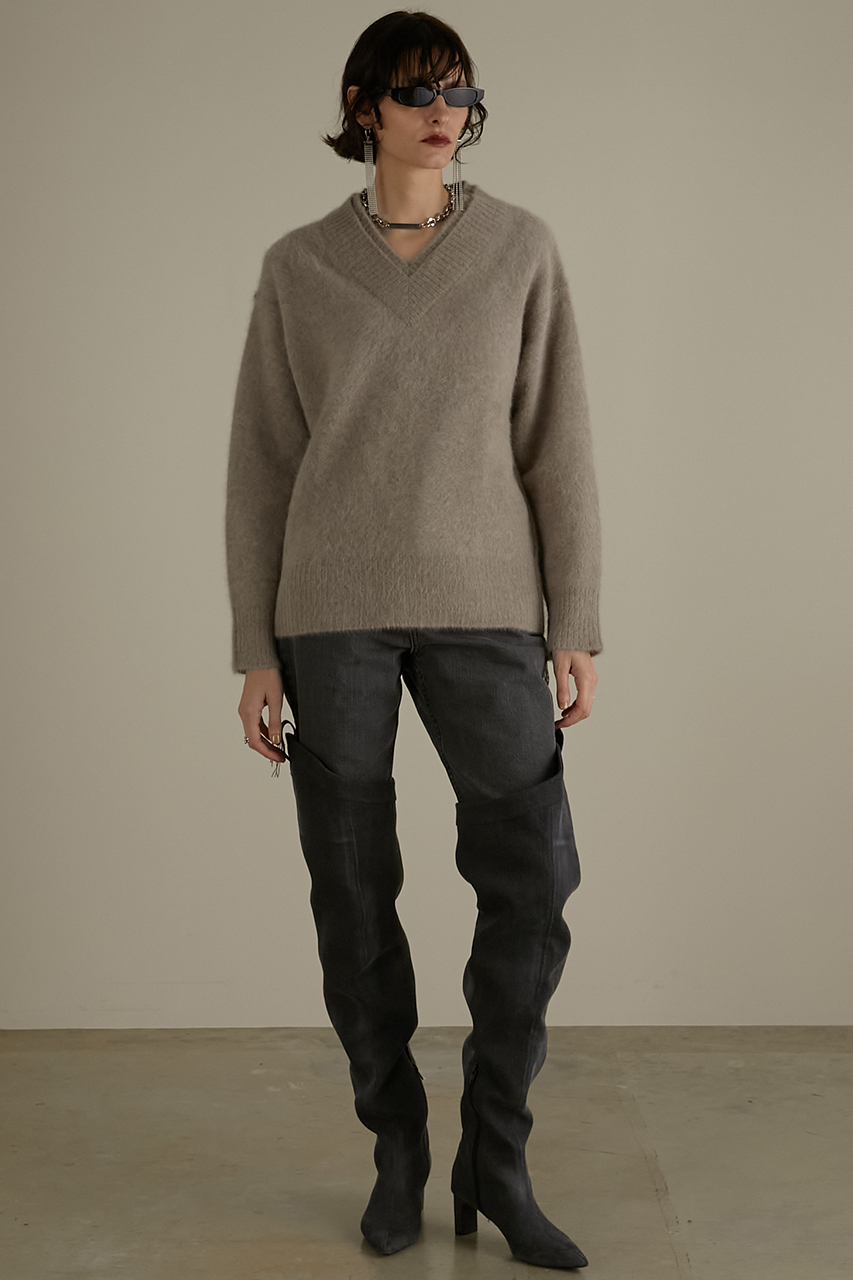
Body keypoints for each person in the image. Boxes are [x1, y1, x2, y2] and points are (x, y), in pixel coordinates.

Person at [225, 10, 601, 1270]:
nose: (445, 111)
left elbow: (557, 440)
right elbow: (262, 463)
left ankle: (498, 1155)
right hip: (327, 614)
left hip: (490, 606)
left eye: (459, 92)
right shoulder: (297, 266)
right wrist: (254, 645)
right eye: (417, 91)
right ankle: (396, 1146)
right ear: (364, 106)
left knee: (532, 875)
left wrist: (575, 618)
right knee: (351, 891)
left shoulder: (520, 248)